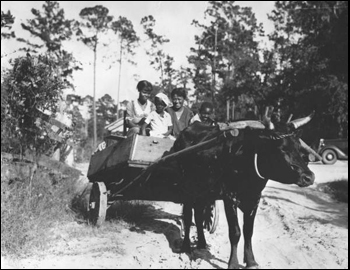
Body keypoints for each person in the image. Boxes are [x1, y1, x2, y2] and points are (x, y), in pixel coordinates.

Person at [95, 80, 155, 152]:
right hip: (134, 129)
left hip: (148, 129)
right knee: (137, 130)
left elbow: (154, 121)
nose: (146, 95)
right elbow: (129, 122)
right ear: (139, 91)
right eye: (144, 92)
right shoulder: (132, 104)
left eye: (148, 93)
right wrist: (139, 126)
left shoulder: (152, 106)